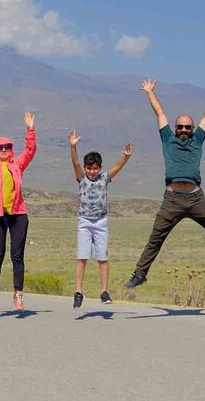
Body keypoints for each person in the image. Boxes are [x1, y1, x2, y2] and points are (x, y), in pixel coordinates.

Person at [124, 79, 205, 289]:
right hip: (172, 199)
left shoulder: (197, 140)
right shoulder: (167, 139)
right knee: (155, 239)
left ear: (193, 128)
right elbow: (160, 114)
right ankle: (140, 274)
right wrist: (149, 92)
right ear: (175, 128)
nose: (184, 129)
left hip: (197, 198)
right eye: (180, 126)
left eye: (188, 126)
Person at [0, 108, 36, 311]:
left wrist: (30, 130)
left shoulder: (17, 164)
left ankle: (18, 294)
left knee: (17, 256)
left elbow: (30, 151)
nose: (3, 150)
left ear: (11, 149)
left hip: (18, 214)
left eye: (6, 148)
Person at [68, 129, 132, 309]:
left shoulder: (104, 179)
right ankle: (79, 292)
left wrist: (125, 157)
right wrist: (73, 147)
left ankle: (104, 291)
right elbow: (75, 163)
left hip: (101, 222)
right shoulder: (82, 178)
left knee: (102, 258)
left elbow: (118, 167)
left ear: (100, 167)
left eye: (95, 168)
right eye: (89, 168)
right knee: (82, 257)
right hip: (85, 222)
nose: (92, 171)